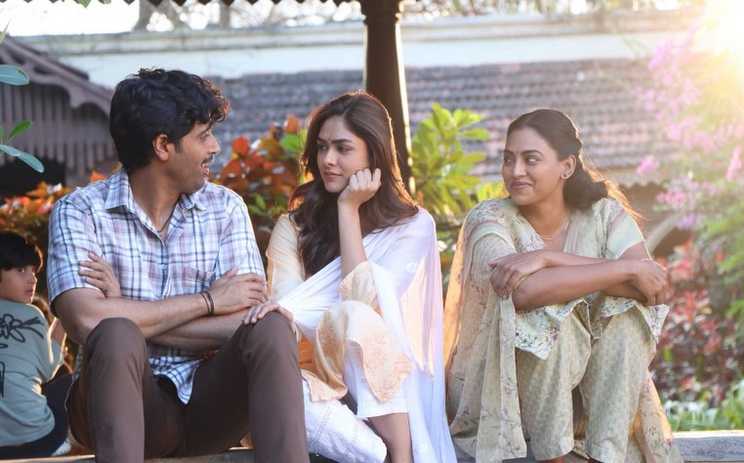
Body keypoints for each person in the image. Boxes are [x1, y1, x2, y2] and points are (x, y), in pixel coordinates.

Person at [46, 68, 308, 463]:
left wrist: (127, 309)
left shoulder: (225, 208)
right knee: (116, 335)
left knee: (270, 326)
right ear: (163, 145)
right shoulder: (80, 212)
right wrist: (208, 301)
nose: (215, 147)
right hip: (120, 407)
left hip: (209, 407)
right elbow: (86, 321)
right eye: (203, 135)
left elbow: (244, 322)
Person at [444, 109, 682, 463]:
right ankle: (552, 457)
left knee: (627, 318)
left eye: (530, 159)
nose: (515, 171)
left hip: (587, 403)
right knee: (557, 315)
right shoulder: (490, 220)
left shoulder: (604, 215)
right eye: (508, 159)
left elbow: (651, 289)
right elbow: (522, 293)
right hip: (506, 396)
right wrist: (624, 270)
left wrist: (548, 259)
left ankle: (605, 456)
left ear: (566, 167)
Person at [244, 91, 457, 463]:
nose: (328, 160)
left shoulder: (412, 226)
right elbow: (287, 311)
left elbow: (364, 304)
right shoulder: (294, 226)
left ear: (373, 155)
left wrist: (348, 211)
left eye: (343, 149)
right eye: (322, 147)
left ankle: (398, 452)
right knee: (277, 388)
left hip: (383, 382)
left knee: (354, 317)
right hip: (312, 377)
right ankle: (389, 457)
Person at [0, 231, 71, 458]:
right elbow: (49, 370)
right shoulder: (31, 315)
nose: (32, 279)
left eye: (34, 271)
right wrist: (63, 317)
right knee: (68, 381)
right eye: (21, 270)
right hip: (39, 440)